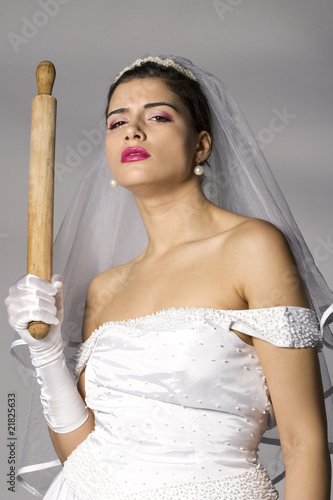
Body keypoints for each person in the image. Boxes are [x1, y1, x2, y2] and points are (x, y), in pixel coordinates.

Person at [5, 56, 333, 499]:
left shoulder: (253, 247)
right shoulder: (105, 289)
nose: (132, 131)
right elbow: (84, 456)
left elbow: (303, 443)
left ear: (201, 145)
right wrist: (45, 354)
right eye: (116, 121)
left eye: (157, 116)